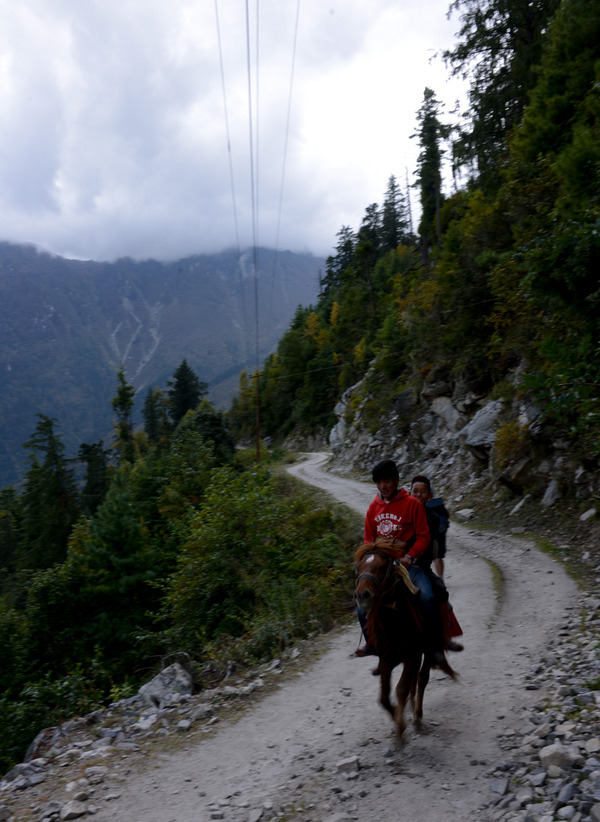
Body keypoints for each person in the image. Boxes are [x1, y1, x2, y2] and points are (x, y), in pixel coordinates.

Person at [360, 459, 445, 665]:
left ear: (397, 480)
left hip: (408, 565)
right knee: (361, 604)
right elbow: (368, 541)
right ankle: (372, 642)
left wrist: (410, 555)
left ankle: (433, 647)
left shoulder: (412, 504)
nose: (383, 486)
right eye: (379, 482)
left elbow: (424, 536)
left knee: (428, 598)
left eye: (387, 481)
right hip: (382, 566)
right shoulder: (373, 508)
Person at [410, 474, 463, 652]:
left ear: (429, 495)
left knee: (439, 591)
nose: (418, 495)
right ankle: (374, 643)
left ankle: (443, 638)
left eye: (423, 492)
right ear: (409, 493)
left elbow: (425, 543)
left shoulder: (432, 517)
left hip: (419, 566)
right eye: (415, 491)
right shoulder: (401, 512)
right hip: (396, 565)